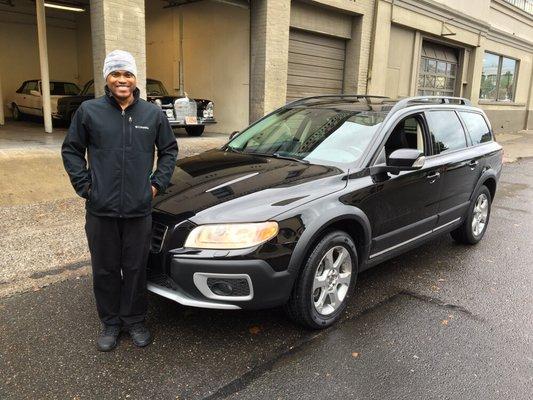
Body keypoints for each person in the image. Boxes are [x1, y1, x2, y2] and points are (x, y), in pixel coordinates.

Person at [61, 50, 178, 351]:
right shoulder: (89, 111)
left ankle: (135, 320)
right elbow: (71, 150)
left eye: (127, 74)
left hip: (139, 210)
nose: (121, 80)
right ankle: (111, 323)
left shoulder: (152, 114)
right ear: (107, 78)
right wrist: (86, 186)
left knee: (136, 267)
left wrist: (155, 185)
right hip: (101, 209)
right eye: (115, 74)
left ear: (135, 78)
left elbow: (169, 151)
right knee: (106, 268)